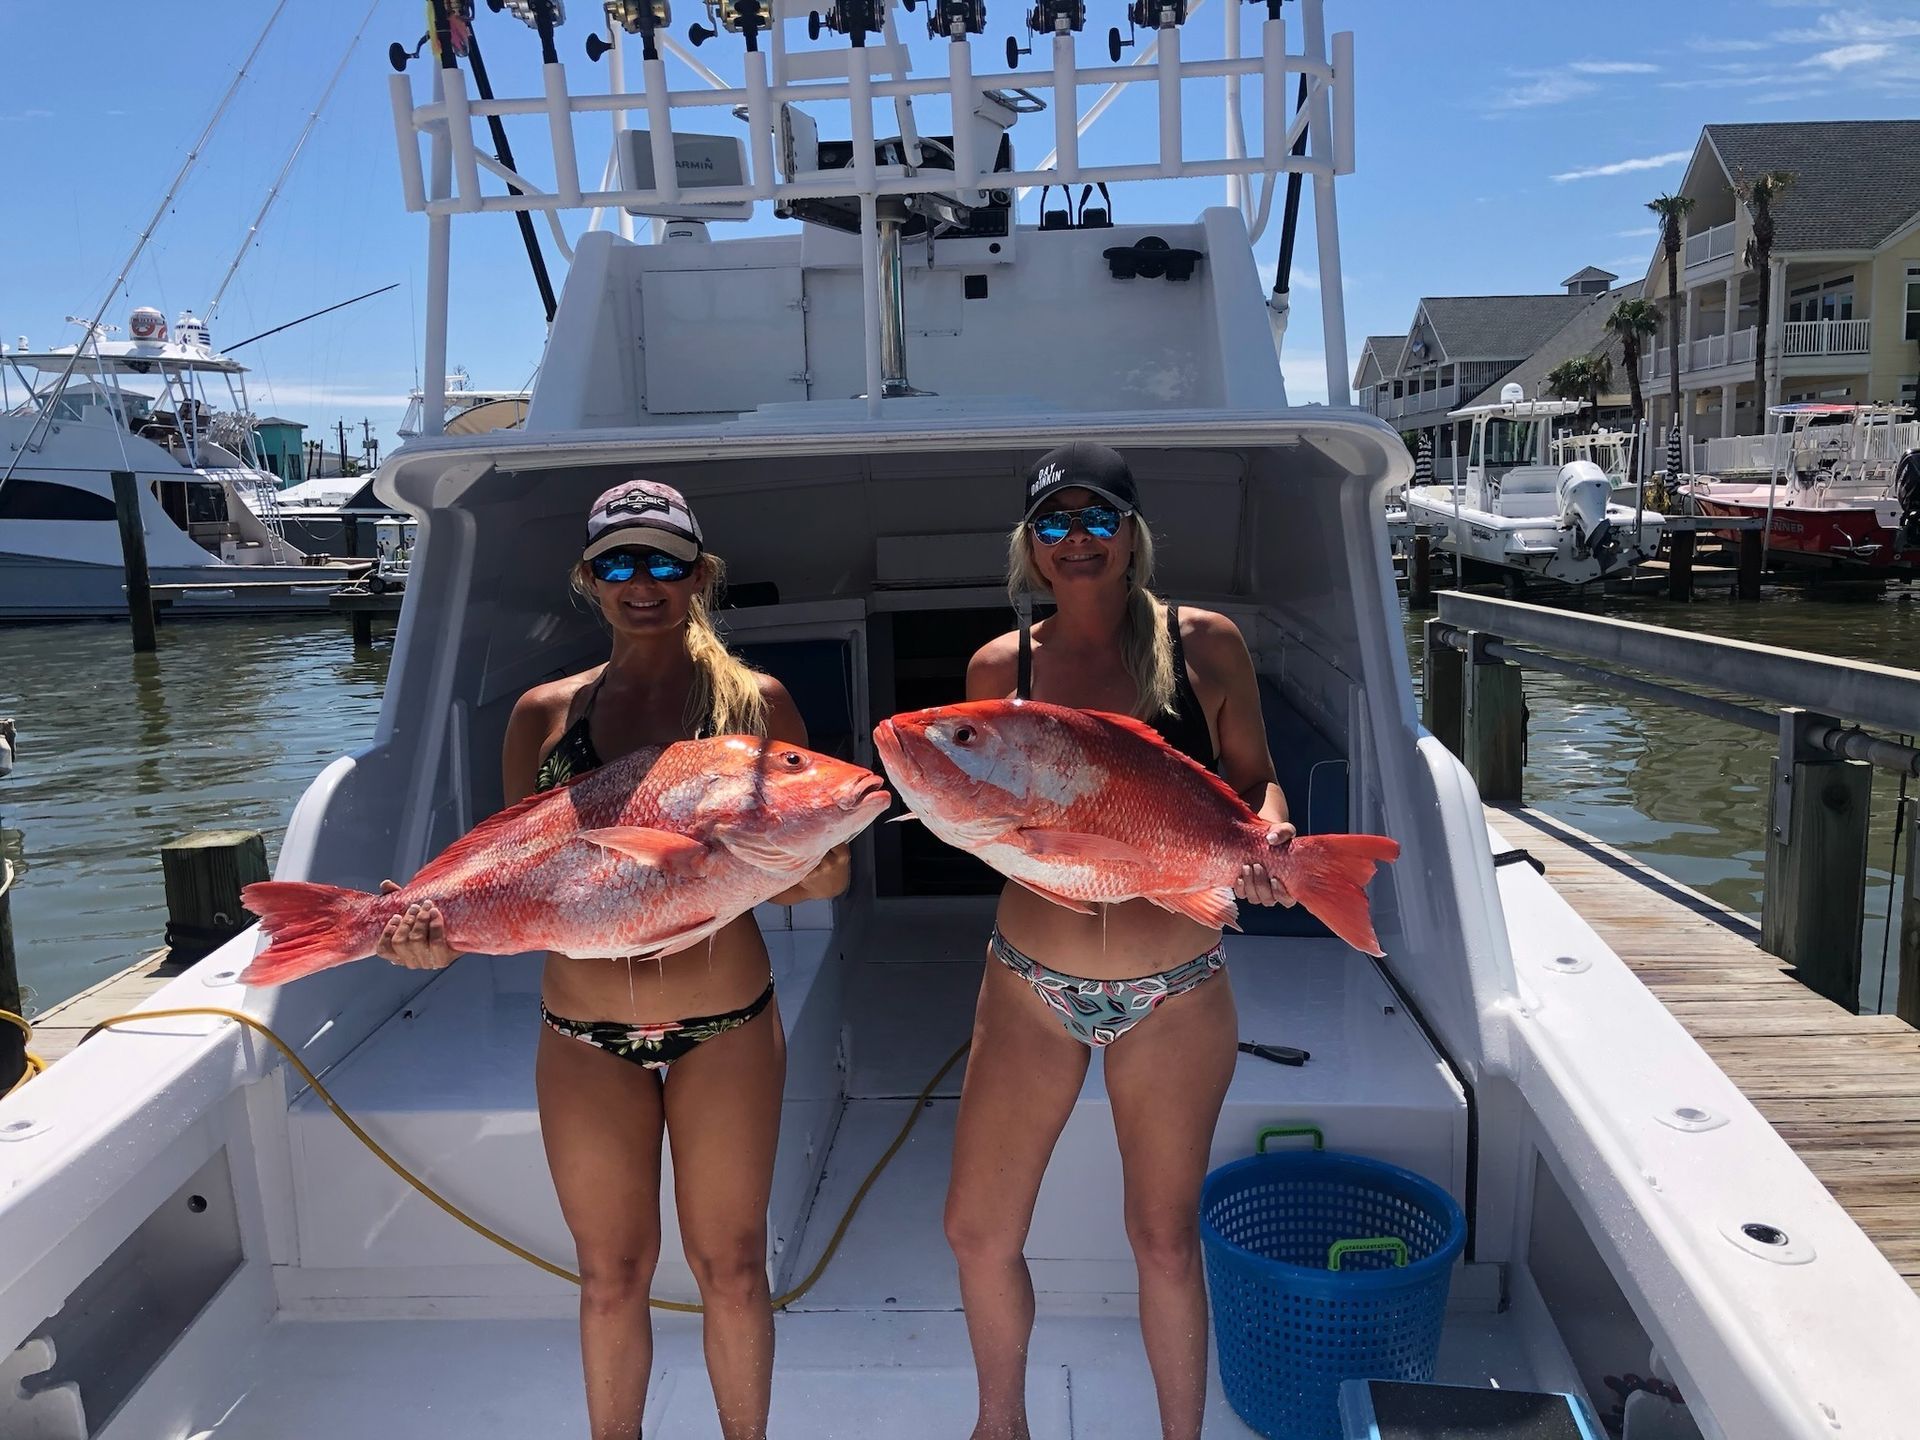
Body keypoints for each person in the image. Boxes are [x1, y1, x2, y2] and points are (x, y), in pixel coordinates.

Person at [374, 479, 849, 1440]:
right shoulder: (541, 714)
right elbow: (516, 869)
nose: (644, 582)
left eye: (666, 561)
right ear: (588, 580)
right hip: (582, 1030)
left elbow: (807, 863)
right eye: (619, 562)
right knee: (611, 1276)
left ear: (700, 576)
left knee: (731, 1267)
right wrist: (438, 932)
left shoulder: (756, 706)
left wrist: (818, 879)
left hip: (725, 1024)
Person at [944, 442, 1295, 1440]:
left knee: (1162, 1242)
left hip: (1174, 986)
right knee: (977, 1231)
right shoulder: (997, 670)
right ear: (1029, 543)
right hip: (1028, 983)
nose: (1079, 540)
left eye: (1100, 517)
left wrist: (1268, 835)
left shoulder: (1206, 646)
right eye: (1054, 521)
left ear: (1135, 531)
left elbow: (1253, 778)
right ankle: (999, 1425)